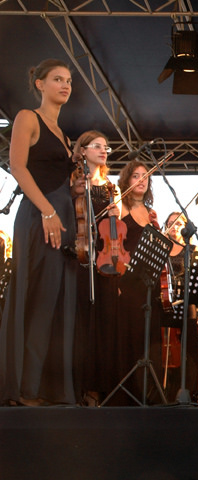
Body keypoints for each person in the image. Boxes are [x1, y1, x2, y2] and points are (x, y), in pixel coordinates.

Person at [0, 59, 78, 406]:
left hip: (61, 221)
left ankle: (41, 387)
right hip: (37, 217)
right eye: (58, 79)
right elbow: (17, 166)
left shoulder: (64, 134)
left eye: (69, 81)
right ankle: (19, 388)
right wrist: (47, 210)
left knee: (51, 305)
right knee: (31, 300)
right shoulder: (26, 118)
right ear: (40, 83)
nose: (65, 85)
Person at [70, 130, 122, 406]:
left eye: (106, 147)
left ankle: (100, 388)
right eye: (97, 146)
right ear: (83, 151)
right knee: (82, 325)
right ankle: (80, 387)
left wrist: (116, 214)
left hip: (105, 261)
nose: (103, 151)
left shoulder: (112, 187)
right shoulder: (76, 183)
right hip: (81, 259)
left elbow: (118, 227)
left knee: (104, 325)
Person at [111, 159, 164, 405]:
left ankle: (149, 393)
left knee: (150, 338)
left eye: (145, 176)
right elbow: (113, 244)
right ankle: (127, 394)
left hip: (150, 284)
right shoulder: (121, 207)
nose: (141, 180)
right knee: (130, 337)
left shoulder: (152, 214)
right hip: (128, 283)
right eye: (136, 176)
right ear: (126, 180)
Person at [161, 212, 198, 400]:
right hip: (166, 303)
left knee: (190, 346)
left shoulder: (191, 251)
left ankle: (191, 389)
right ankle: (166, 388)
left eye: (178, 224)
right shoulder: (160, 249)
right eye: (170, 224)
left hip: (187, 302)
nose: (174, 227)